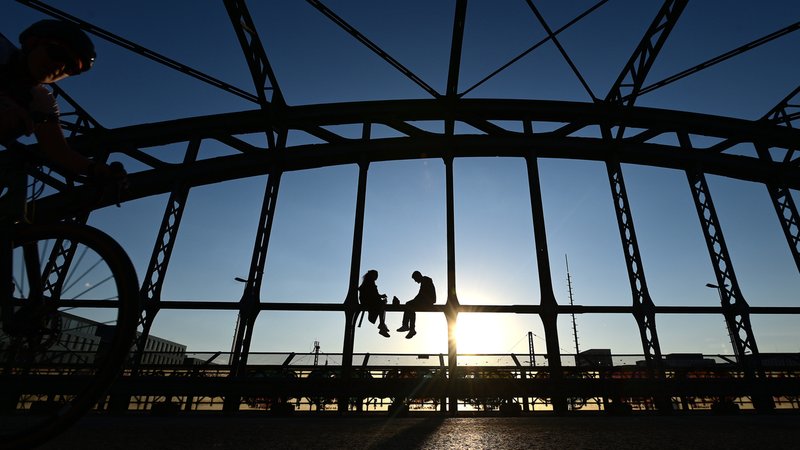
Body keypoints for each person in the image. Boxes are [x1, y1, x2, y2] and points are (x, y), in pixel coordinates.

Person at [1, 19, 119, 180]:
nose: (60, 67)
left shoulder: (41, 101)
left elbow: (57, 150)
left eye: (71, 67)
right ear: (32, 42)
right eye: (57, 54)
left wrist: (94, 168)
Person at [396, 270, 436, 339]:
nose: (415, 281)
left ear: (418, 276)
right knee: (411, 306)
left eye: (415, 279)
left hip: (428, 301)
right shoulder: (425, 280)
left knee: (409, 304)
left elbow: (421, 294)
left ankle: (406, 326)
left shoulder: (425, 280)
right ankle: (411, 329)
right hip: (428, 300)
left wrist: (414, 300)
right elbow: (421, 294)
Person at [358, 269, 390, 338]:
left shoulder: (368, 282)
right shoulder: (369, 283)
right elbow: (372, 294)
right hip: (368, 302)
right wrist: (381, 297)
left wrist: (380, 296)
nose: (377, 277)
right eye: (376, 275)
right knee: (382, 304)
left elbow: (374, 294)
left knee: (382, 303)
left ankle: (382, 324)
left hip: (368, 301)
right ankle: (382, 325)